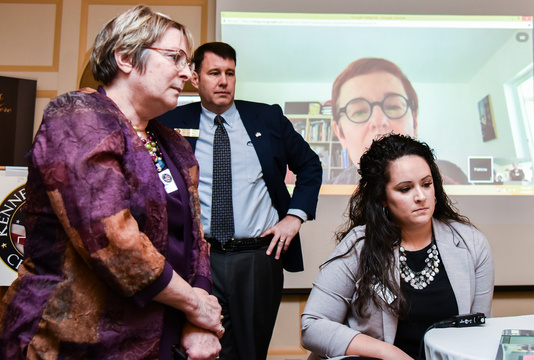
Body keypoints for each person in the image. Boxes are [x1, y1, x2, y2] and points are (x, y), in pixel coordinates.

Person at [0, 6, 223, 359]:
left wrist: (198, 322)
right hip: (72, 341)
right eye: (176, 58)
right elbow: (111, 239)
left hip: (158, 336)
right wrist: (195, 304)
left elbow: (196, 242)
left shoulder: (175, 144)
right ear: (125, 57)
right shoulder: (77, 117)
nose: (187, 73)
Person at [158, 42, 323, 359]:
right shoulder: (170, 122)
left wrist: (294, 217)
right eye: (214, 73)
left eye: (230, 73)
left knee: (250, 352)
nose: (223, 81)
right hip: (198, 258)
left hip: (257, 258)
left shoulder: (267, 118)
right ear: (195, 77)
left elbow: (310, 165)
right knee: (200, 349)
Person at [301, 133, 494, 360]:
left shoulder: (471, 243)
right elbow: (312, 326)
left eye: (427, 184)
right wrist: (389, 353)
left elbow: (480, 328)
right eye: (405, 189)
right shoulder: (359, 246)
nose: (421, 196)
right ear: (382, 197)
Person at [330, 57, 468, 185]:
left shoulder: (453, 177)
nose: (379, 121)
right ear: (340, 134)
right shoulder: (324, 198)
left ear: (414, 122)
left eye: (393, 107)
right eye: (359, 112)